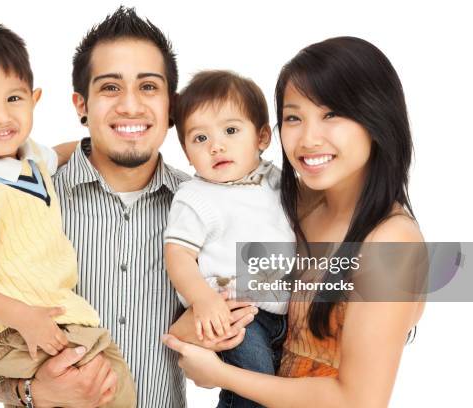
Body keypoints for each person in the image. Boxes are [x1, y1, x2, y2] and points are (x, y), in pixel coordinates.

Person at [0, 7, 256, 407]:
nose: (131, 106)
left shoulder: (207, 210)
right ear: (80, 104)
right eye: (110, 88)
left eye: (149, 87)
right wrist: (32, 392)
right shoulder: (25, 198)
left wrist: (203, 336)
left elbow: (230, 355)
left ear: (172, 106)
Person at [163, 36, 425, 407]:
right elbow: (209, 312)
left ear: (376, 117)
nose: (308, 138)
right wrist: (197, 329)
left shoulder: (392, 242)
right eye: (293, 117)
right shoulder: (289, 207)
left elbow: (359, 401)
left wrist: (221, 375)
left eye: (331, 114)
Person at [0, 19, 136, 407]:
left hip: (52, 321)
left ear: (35, 98)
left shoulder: (27, 158)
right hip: (10, 327)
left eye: (14, 99)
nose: (2, 116)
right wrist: (23, 319)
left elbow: (58, 154)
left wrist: (109, 138)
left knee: (110, 381)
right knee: (103, 387)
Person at [164, 70, 294, 407]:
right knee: (253, 390)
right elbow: (177, 255)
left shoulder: (275, 179)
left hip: (287, 313)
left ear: (262, 136)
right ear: (186, 151)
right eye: (200, 139)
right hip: (235, 313)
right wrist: (204, 300)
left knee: (283, 390)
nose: (216, 146)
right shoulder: (196, 196)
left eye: (231, 131)